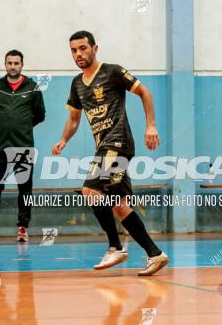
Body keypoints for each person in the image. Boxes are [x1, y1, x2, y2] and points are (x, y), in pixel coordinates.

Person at [51, 31, 169, 276]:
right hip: (104, 147)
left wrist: (151, 125)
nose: (78, 54)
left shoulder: (113, 72)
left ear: (95, 49)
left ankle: (115, 247)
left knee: (90, 191)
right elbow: (74, 119)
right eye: (73, 50)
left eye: (83, 48)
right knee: (119, 205)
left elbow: (144, 93)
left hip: (117, 143)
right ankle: (155, 254)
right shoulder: (76, 84)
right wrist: (63, 139)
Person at [0, 50, 45, 243]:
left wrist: (22, 128)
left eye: (16, 63)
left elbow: (40, 115)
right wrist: (5, 128)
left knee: (25, 188)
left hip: (23, 147)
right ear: (5, 65)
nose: (13, 66)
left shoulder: (33, 87)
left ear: (22, 65)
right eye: (9, 63)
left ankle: (22, 228)